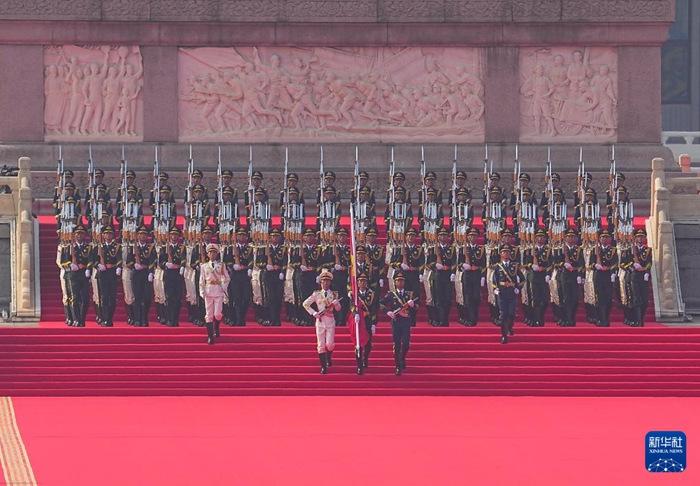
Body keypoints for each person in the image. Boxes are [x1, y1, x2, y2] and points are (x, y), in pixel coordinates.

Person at [303, 270, 341, 374]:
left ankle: (328, 357)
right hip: (320, 321)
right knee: (320, 344)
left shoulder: (334, 294)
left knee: (330, 344)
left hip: (330, 320)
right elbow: (305, 304)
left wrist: (336, 304)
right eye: (323, 281)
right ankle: (323, 366)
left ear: (330, 282)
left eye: (327, 281)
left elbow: (338, 309)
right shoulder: (316, 294)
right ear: (320, 282)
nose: (325, 283)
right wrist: (314, 313)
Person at [381, 271, 418, 375]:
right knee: (397, 344)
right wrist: (387, 312)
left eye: (402, 280)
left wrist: (413, 305)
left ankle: (402, 358)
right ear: (395, 282)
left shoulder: (409, 295)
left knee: (406, 343)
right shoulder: (391, 295)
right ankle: (398, 366)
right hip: (396, 321)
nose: (400, 282)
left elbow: (416, 308)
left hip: (406, 321)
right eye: (398, 280)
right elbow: (380, 304)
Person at [59, 225, 91, 327]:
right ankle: (76, 319)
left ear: (84, 235)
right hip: (73, 275)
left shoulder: (88, 247)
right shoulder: (68, 247)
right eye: (77, 233)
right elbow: (63, 261)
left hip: (84, 274)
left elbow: (91, 259)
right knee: (75, 298)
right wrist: (71, 265)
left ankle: (82, 318)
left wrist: (86, 267)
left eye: (81, 233)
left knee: (85, 299)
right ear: (74, 235)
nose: (79, 235)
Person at [199, 243, 231, 344]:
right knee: (208, 314)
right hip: (208, 290)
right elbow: (201, 280)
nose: (212, 254)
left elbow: (227, 278)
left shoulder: (221, 265)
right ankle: (210, 336)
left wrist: (223, 287)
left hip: (218, 290)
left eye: (214, 253)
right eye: (210, 253)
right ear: (208, 254)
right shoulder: (204, 266)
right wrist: (202, 291)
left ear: (217, 254)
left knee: (217, 314)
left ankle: (216, 326)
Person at [126, 226, 156, 326]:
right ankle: (137, 319)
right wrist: (134, 265)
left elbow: (153, 260)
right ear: (138, 236)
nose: (142, 236)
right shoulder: (133, 247)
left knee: (147, 298)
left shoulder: (150, 248)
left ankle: (144, 318)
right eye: (140, 234)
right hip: (136, 275)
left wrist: (150, 271)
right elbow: (128, 261)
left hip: (146, 274)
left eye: (144, 234)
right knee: (137, 297)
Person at [223, 226, 253, 326]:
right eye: (239, 235)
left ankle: (241, 316)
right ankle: (238, 319)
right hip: (234, 275)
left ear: (246, 237)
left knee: (246, 298)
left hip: (245, 275)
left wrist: (247, 268)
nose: (241, 237)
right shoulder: (230, 248)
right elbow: (226, 261)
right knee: (236, 298)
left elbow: (251, 260)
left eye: (243, 235)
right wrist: (232, 266)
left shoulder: (249, 249)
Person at [91, 226, 121, 327]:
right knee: (103, 297)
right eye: (106, 233)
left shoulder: (116, 247)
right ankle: (104, 318)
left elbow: (119, 259)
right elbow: (93, 260)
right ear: (103, 235)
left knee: (112, 298)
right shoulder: (99, 247)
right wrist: (98, 265)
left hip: (112, 274)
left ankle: (110, 318)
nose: (108, 235)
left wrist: (116, 267)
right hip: (102, 274)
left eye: (110, 234)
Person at [457, 227, 485, 326]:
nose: (472, 237)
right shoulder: (463, 248)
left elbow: (483, 264)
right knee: (468, 297)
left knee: (476, 297)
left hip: (476, 275)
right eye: (471, 235)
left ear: (477, 237)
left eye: (474, 235)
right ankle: (469, 318)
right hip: (467, 275)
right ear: (468, 237)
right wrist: (463, 265)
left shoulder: (481, 249)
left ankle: (474, 317)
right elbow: (459, 263)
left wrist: (482, 276)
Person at [492, 245, 520, 344]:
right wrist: (495, 289)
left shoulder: (514, 266)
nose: (506, 254)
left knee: (511, 314)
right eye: (504, 252)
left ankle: (509, 326)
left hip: (512, 293)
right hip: (502, 293)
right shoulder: (497, 267)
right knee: (503, 315)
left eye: (508, 252)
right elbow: (494, 279)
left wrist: (518, 288)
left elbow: (522, 279)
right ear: (501, 254)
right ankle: (504, 336)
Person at [158, 227, 185, 326]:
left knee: (177, 298)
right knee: (169, 297)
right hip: (168, 274)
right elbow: (160, 262)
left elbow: (183, 259)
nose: (174, 236)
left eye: (176, 235)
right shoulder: (164, 248)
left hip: (178, 274)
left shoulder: (182, 248)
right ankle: (169, 319)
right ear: (169, 236)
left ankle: (175, 319)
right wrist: (166, 264)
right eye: (172, 235)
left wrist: (182, 266)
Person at [591, 230, 618, 326]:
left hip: (608, 276)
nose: (605, 239)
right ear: (600, 239)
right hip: (598, 276)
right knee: (599, 298)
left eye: (607, 237)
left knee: (608, 299)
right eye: (603, 237)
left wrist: (610, 268)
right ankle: (601, 319)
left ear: (610, 239)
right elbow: (590, 263)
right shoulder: (595, 250)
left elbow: (615, 263)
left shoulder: (613, 250)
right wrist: (595, 265)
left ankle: (606, 317)